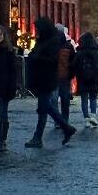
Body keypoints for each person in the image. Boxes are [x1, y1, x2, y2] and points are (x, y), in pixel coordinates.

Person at [24, 18, 77, 149]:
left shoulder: (53, 41)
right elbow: (35, 52)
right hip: (40, 78)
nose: (36, 31)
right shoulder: (43, 39)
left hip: (47, 78)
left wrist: (35, 58)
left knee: (43, 107)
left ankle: (39, 137)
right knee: (45, 107)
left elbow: (51, 59)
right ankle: (65, 128)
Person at [72, 32, 98, 128]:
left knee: (84, 100)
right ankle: (93, 115)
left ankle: (86, 119)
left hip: (82, 79)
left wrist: (74, 75)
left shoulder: (79, 53)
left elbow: (74, 66)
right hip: (94, 78)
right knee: (93, 98)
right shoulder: (96, 53)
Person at [53, 24, 73, 123]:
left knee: (55, 100)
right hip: (64, 77)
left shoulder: (51, 46)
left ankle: (59, 120)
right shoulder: (68, 46)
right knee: (64, 100)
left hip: (56, 77)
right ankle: (64, 120)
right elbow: (73, 61)